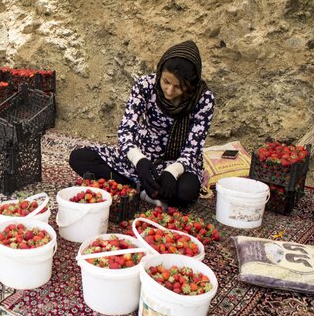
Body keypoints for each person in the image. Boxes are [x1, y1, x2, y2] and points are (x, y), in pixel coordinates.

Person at [69, 40, 215, 208]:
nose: (169, 91)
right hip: (142, 157)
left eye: (178, 87)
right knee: (79, 157)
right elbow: (126, 129)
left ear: (190, 86)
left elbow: (193, 148)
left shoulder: (203, 99)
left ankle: (140, 187)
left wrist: (173, 171)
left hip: (179, 163)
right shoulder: (145, 86)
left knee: (186, 193)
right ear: (160, 72)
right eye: (166, 82)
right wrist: (139, 160)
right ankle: (143, 188)